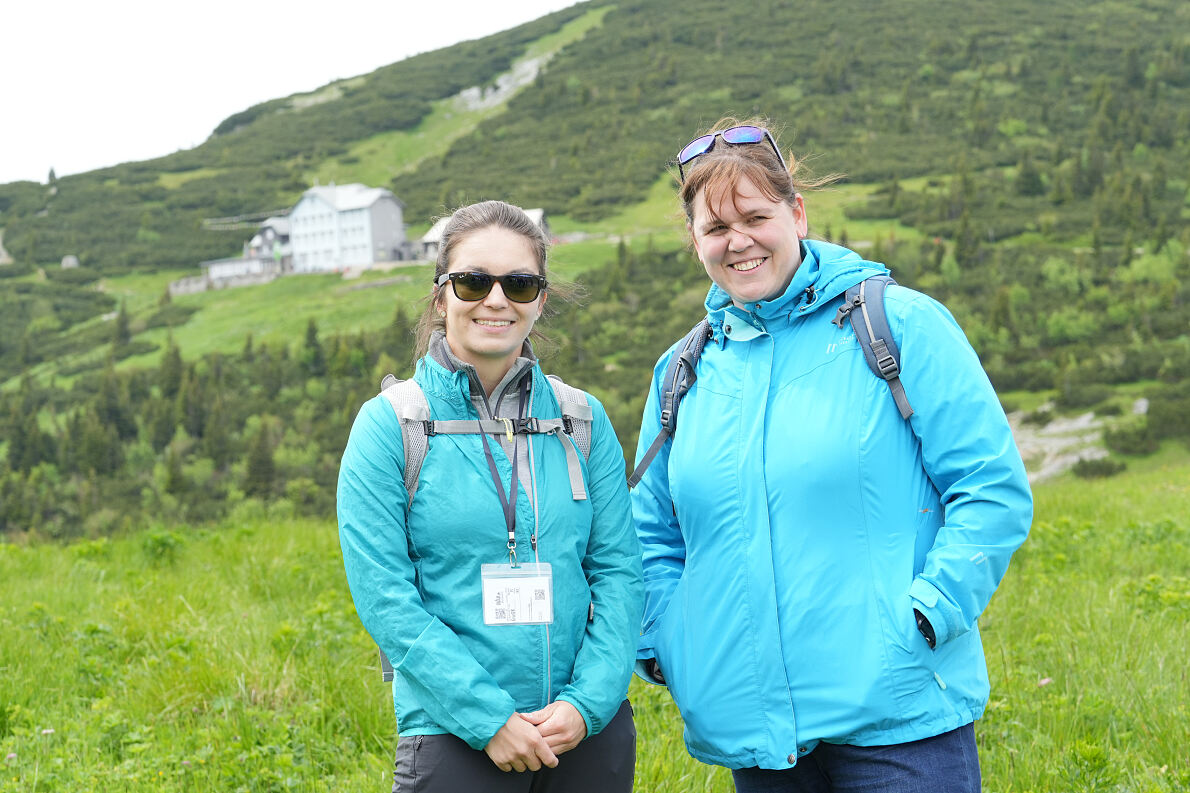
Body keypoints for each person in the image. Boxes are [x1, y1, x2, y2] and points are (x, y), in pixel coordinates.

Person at [631, 118, 1033, 792]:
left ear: (796, 211)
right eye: (715, 228)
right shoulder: (682, 370)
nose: (739, 241)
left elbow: (990, 488)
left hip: (900, 720)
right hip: (755, 728)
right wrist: (670, 643)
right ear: (695, 240)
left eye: (755, 216)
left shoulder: (900, 325)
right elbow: (650, 531)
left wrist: (927, 616)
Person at [338, 200, 642, 792]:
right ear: (440, 295)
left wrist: (587, 706)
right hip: (453, 734)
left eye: (520, 283)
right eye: (474, 281)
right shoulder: (391, 427)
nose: (496, 300)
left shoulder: (580, 418)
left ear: (540, 299)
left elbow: (619, 573)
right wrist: (489, 719)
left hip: (584, 734)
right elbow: (385, 599)